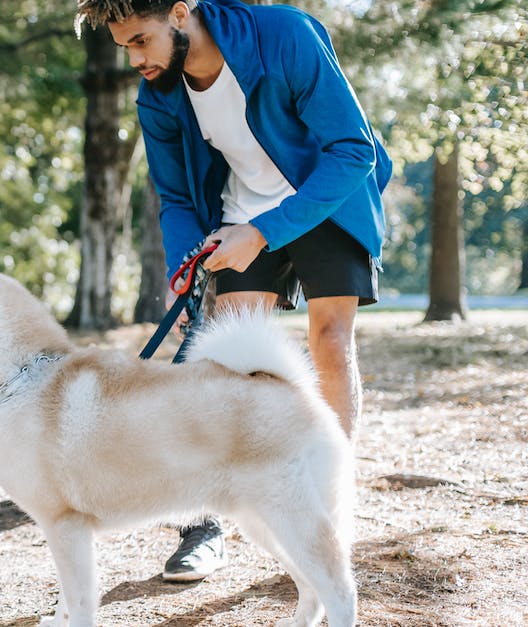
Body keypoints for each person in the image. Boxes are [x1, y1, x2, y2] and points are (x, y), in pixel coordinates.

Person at [74, 0, 390, 582]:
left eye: (141, 40)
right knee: (223, 364)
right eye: (125, 48)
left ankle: (327, 512)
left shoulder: (285, 36)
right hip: (239, 212)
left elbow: (354, 150)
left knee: (330, 341)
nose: (135, 59)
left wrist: (266, 232)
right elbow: (174, 198)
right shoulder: (158, 94)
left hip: (327, 199)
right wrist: (182, 271)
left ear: (179, 12)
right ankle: (205, 526)